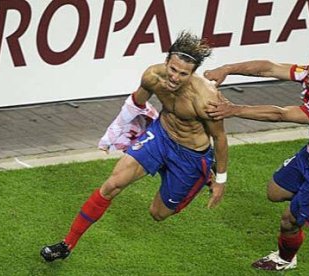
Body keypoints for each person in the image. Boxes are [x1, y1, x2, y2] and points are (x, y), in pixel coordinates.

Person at [40, 31, 228, 262]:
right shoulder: (152, 76)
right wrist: (117, 130)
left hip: (190, 156)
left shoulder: (205, 98)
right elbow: (136, 103)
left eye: (183, 74)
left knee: (158, 214)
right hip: (161, 136)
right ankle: (67, 244)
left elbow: (219, 138)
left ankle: (202, 177)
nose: (175, 78)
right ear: (166, 61)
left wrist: (220, 180)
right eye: (172, 69)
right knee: (112, 184)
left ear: (193, 73)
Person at [204, 44, 309, 271]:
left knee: (289, 222)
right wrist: (227, 68)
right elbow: (269, 68)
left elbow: (280, 114)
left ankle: (285, 259)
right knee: (274, 192)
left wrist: (233, 110)